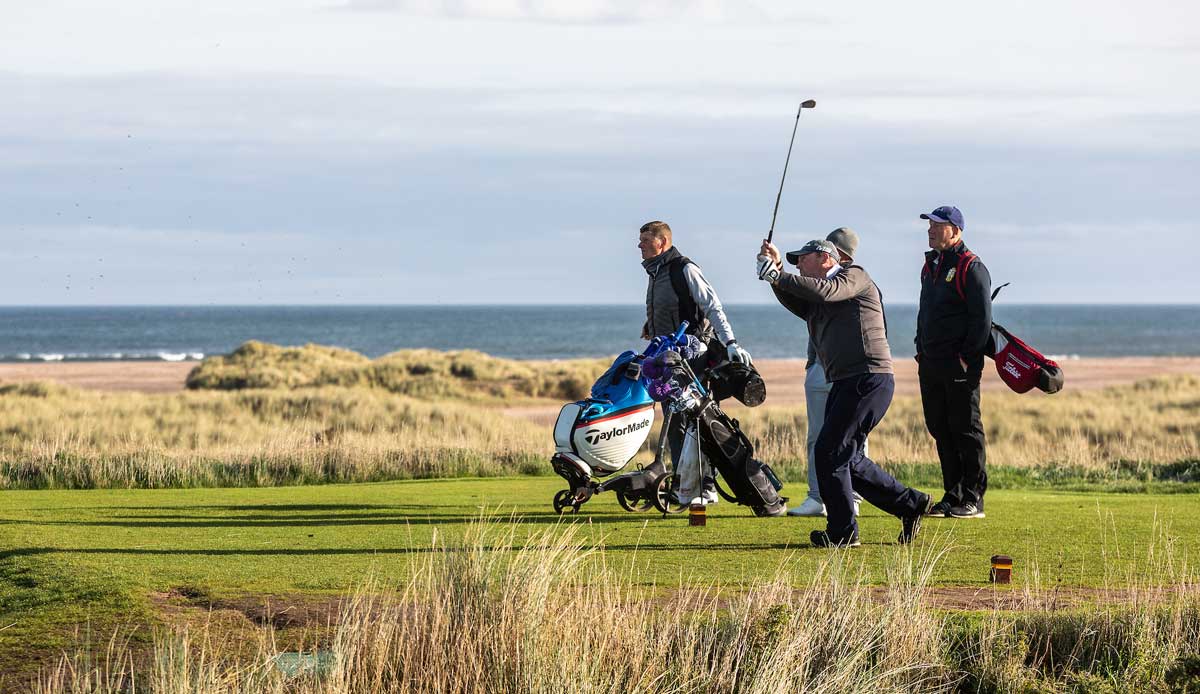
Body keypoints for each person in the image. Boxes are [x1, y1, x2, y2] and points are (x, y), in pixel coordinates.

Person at [757, 237, 930, 547]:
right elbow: (800, 301)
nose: (799, 265)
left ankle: (843, 531)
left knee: (829, 453)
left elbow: (826, 291)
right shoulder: (820, 295)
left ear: (825, 258)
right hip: (848, 381)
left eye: (802, 259)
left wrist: (780, 274)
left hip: (868, 378)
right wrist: (776, 272)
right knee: (846, 458)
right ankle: (909, 504)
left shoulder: (853, 276)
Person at [638, 220, 753, 503]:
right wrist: (650, 326)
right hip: (668, 359)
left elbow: (712, 307)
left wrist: (731, 343)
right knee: (676, 421)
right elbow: (672, 307)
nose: (639, 245)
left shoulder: (684, 268)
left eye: (644, 240)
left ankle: (705, 487)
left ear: (662, 242)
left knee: (696, 422)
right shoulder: (656, 272)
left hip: (693, 358)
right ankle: (686, 486)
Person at [915, 206, 992, 519]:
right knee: (940, 428)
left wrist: (966, 359)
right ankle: (953, 494)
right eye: (930, 225)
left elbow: (982, 320)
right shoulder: (930, 265)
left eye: (938, 225)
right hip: (930, 363)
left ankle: (973, 498)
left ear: (956, 231)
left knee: (965, 430)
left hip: (959, 366)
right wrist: (920, 350)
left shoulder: (971, 267)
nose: (931, 230)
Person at [789, 228, 866, 518]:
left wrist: (778, 276)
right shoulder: (820, 283)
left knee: (852, 438)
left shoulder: (853, 279)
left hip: (848, 370)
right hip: (820, 366)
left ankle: (852, 497)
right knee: (816, 437)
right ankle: (816, 496)